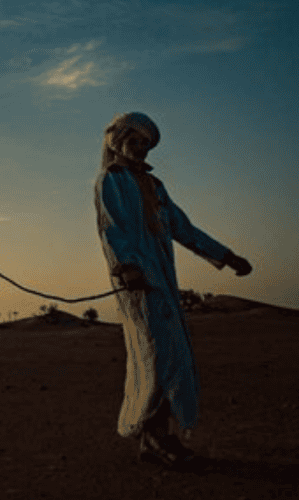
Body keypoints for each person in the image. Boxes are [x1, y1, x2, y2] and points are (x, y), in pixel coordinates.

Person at [94, 112, 254, 468]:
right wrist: (128, 267)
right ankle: (156, 439)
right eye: (134, 141)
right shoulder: (112, 180)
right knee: (155, 359)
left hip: (163, 282)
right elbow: (112, 228)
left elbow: (183, 227)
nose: (140, 148)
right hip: (136, 285)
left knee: (172, 359)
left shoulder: (155, 186)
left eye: (146, 144)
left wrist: (226, 256)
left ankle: (156, 438)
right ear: (118, 141)